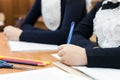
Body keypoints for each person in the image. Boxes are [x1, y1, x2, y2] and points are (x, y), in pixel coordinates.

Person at [57, 0, 120, 69]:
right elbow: (76, 34)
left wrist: (86, 55)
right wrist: (93, 49)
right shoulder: (102, 4)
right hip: (101, 69)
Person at [3, 0, 86, 45]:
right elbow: (25, 25)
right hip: (53, 49)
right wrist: (51, 35)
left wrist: (21, 35)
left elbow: (65, 37)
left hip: (76, 50)